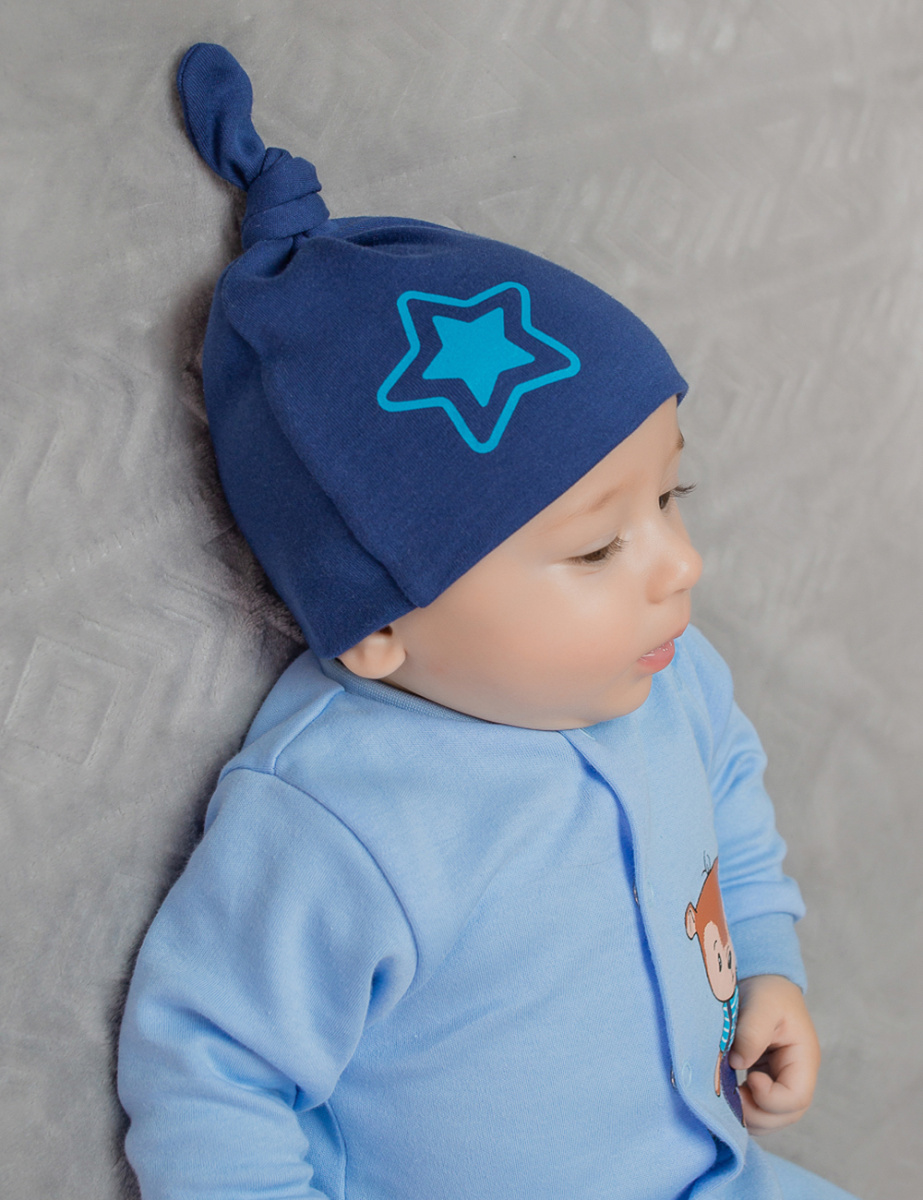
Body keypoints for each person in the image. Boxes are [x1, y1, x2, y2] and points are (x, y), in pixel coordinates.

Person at [117, 43, 860, 1200]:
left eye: (671, 497)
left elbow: (729, 810)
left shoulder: (670, 677)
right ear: (377, 624)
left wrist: (764, 965)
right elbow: (210, 1073)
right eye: (597, 546)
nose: (681, 564)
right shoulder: (339, 818)